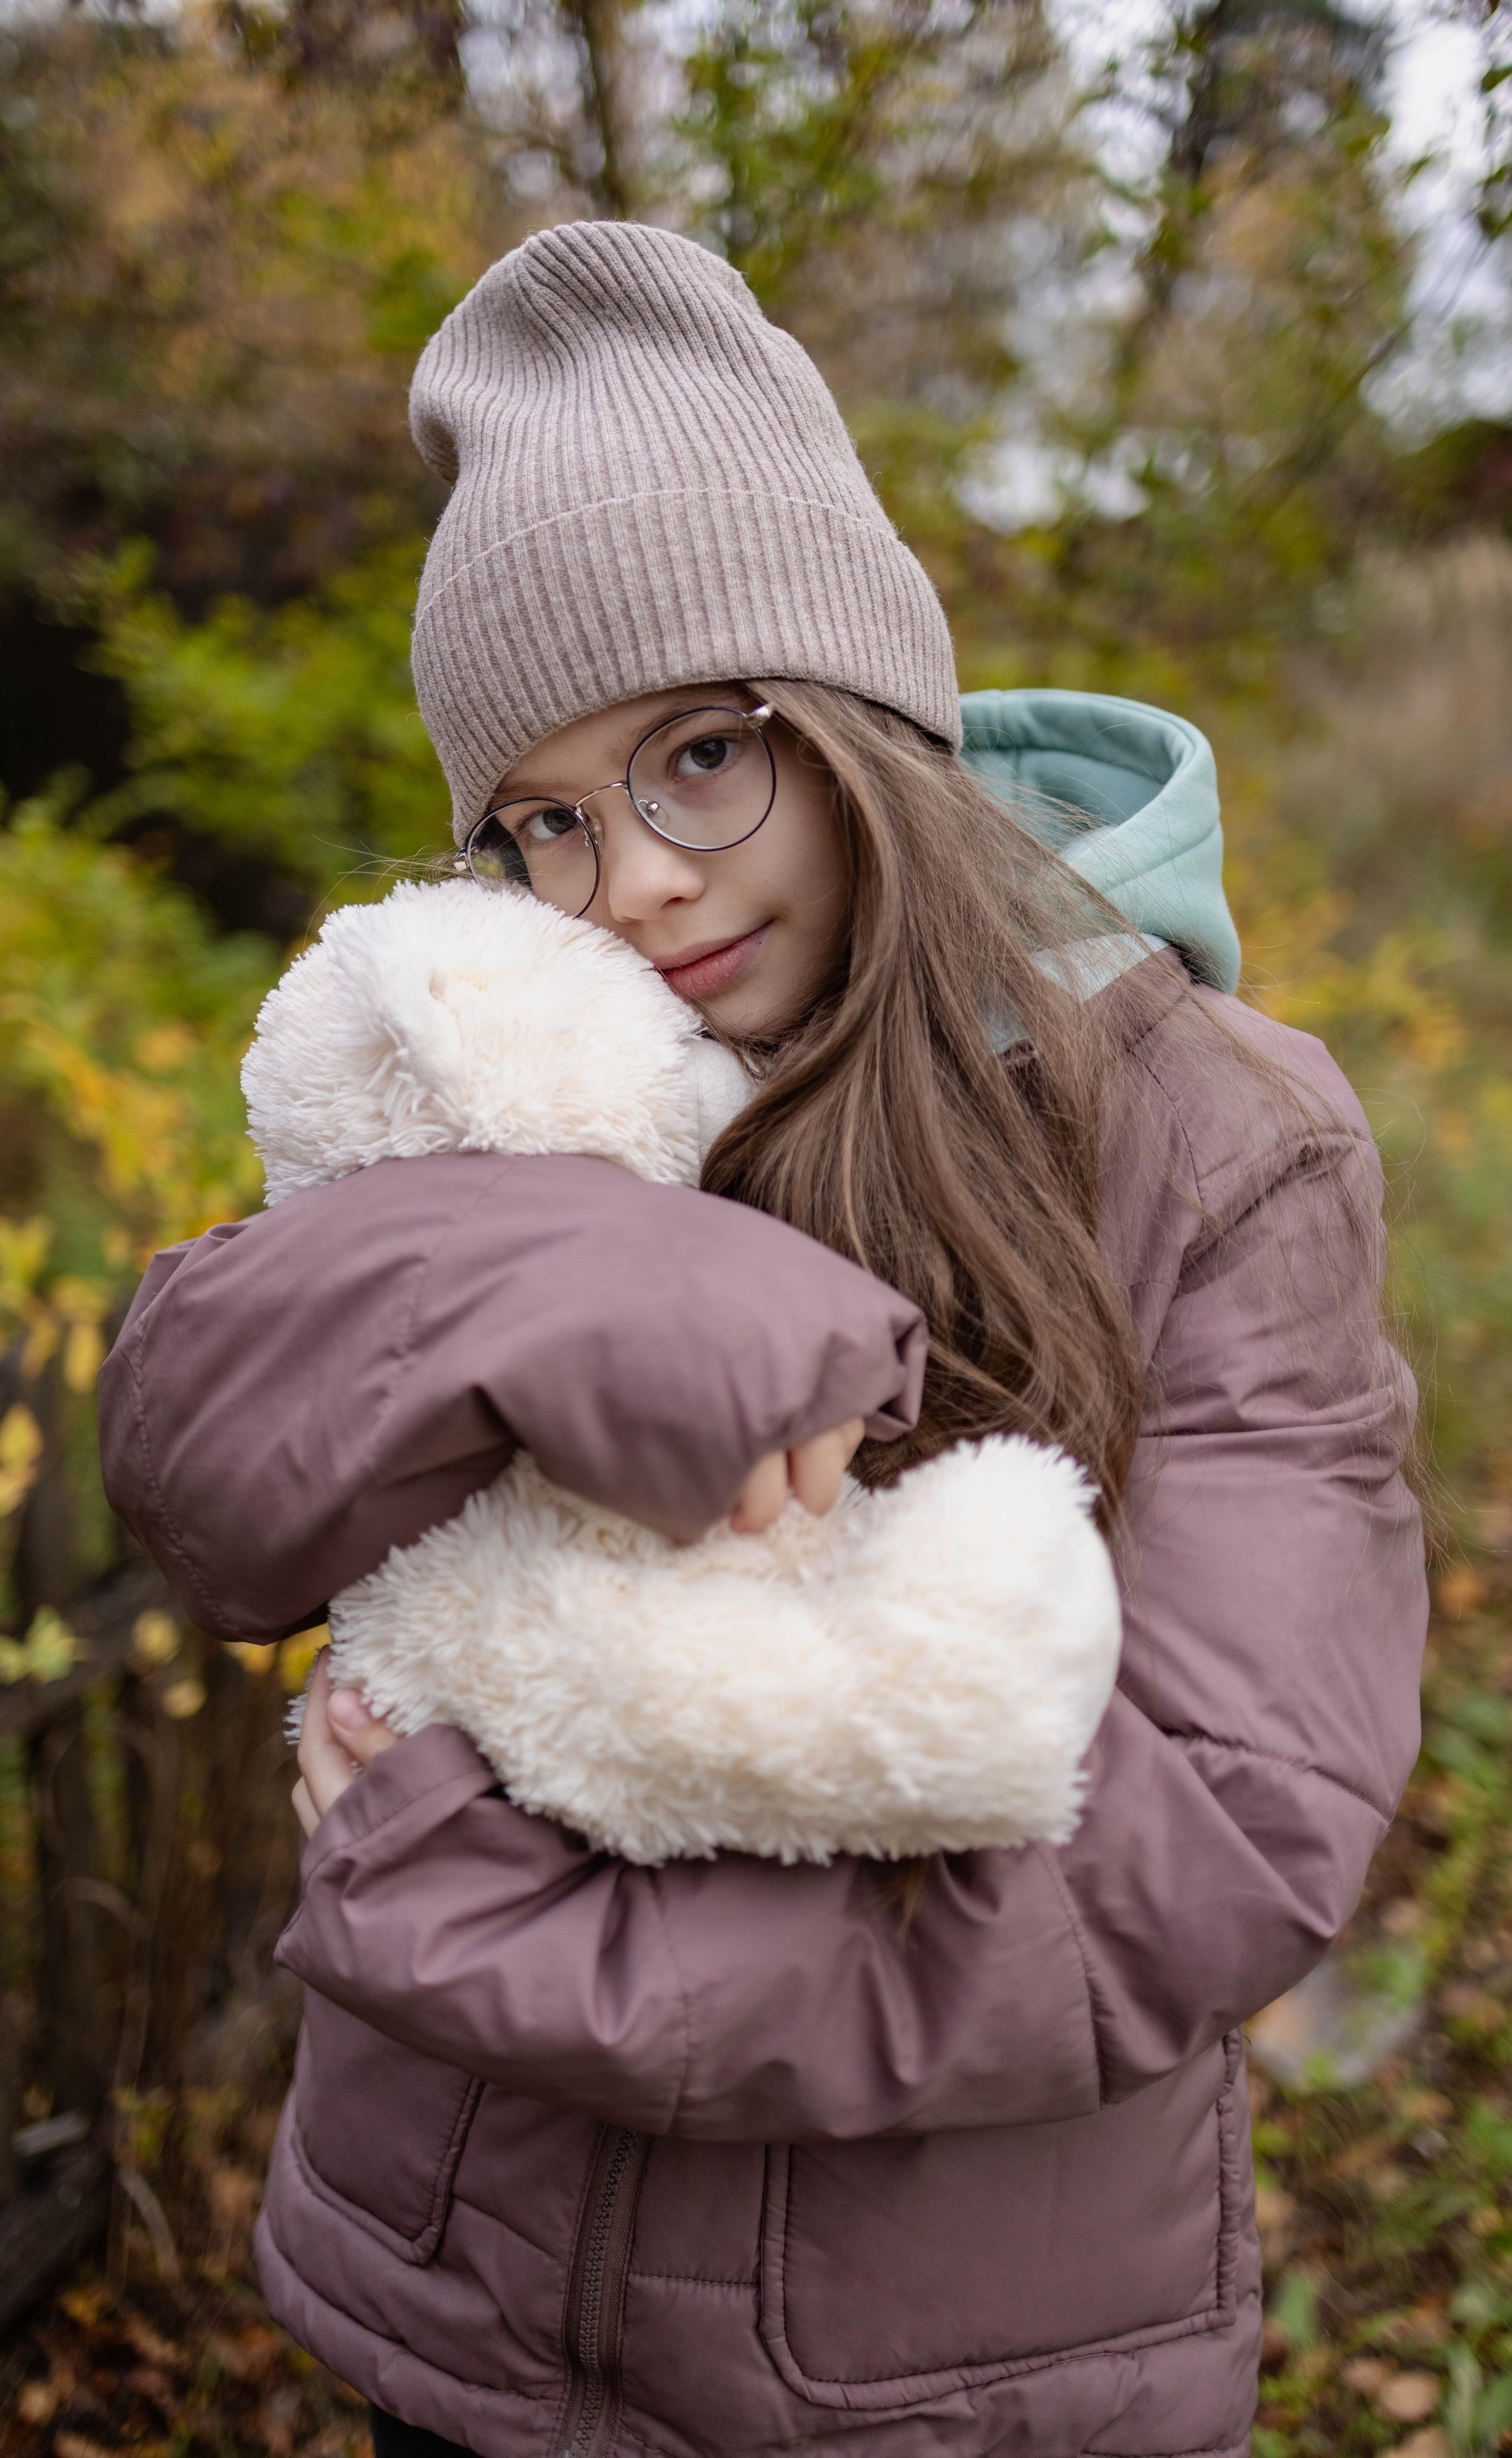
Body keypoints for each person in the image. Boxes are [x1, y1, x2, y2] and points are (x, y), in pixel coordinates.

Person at [99, 220, 1428, 2458]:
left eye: (702, 757)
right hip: (463, 2326)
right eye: (542, 818)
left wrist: (484, 1925)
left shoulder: (1212, 1131)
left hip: (936, 2378)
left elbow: (1211, 1845)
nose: (630, 882)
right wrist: (560, 1274)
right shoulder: (521, 1068)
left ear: (860, 726)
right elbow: (210, 1486)